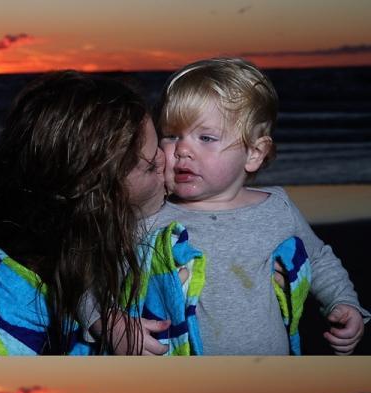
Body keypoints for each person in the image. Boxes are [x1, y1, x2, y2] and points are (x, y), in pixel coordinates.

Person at [0, 70, 203, 356]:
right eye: (149, 166)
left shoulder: (74, 218)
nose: (165, 159)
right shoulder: (0, 309)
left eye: (160, 141)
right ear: (98, 197)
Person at [153, 57, 368, 355]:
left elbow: (318, 259)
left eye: (206, 137)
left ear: (254, 153)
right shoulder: (153, 215)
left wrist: (343, 302)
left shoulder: (275, 208)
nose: (183, 150)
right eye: (171, 135)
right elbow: (97, 276)